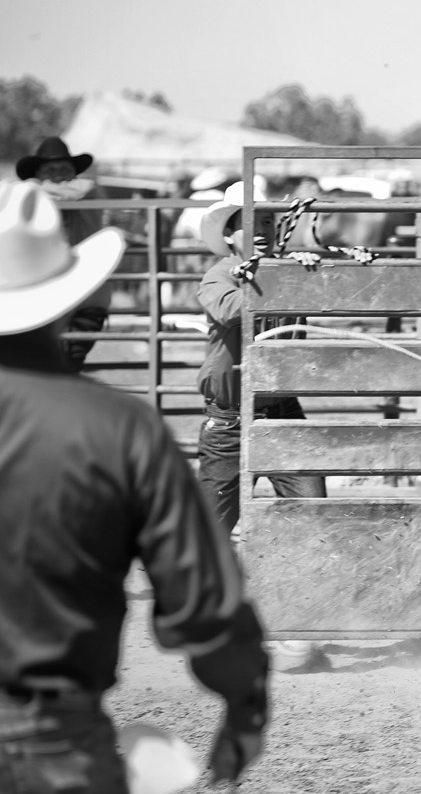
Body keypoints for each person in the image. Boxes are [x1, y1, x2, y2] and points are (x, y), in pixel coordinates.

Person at [0, 180, 268, 792]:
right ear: (70, 302)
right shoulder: (119, 429)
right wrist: (245, 700)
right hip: (55, 731)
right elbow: (203, 600)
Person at [196, 180, 327, 536]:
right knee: (209, 531)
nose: (260, 230)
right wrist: (284, 280)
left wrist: (300, 274)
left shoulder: (285, 269)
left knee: (314, 512)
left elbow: (331, 290)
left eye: (268, 222)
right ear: (229, 235)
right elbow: (225, 309)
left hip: (280, 406)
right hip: (231, 417)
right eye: (250, 222)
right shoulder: (220, 276)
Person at [15, 136, 110, 371]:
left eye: (64, 169)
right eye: (50, 169)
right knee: (45, 364)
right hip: (45, 296)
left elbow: (75, 190)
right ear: (38, 173)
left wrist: (36, 185)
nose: (58, 174)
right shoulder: (33, 196)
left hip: (86, 299)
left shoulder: (87, 190)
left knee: (67, 360)